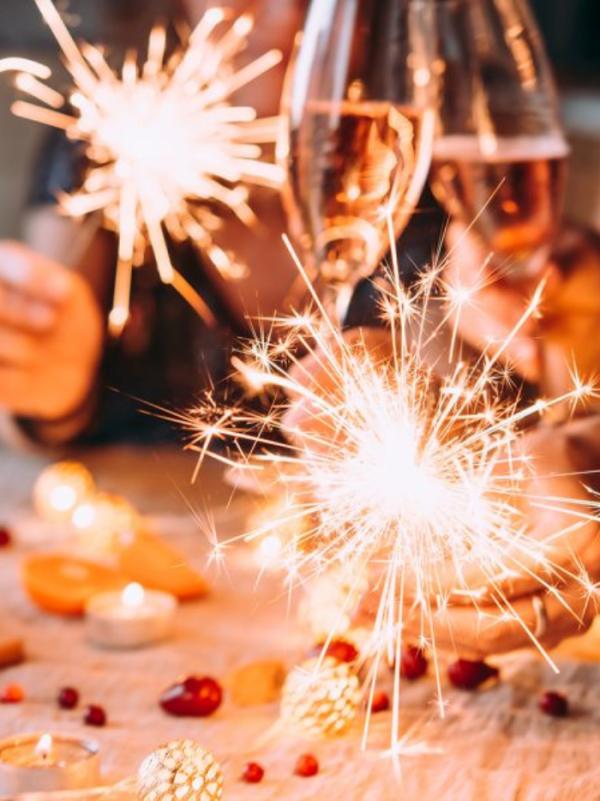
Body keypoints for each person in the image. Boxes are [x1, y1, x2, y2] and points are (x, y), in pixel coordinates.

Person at [0, 0, 308, 448]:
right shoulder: (98, 139)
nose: (286, 14)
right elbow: (21, 418)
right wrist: (52, 388)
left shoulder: (409, 165)